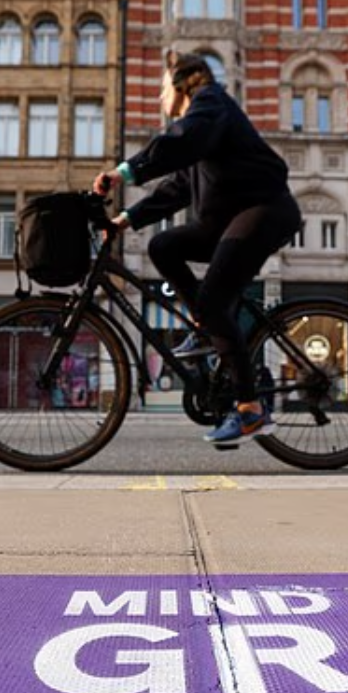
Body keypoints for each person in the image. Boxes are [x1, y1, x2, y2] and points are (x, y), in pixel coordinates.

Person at [93, 51, 302, 446]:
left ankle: (249, 410)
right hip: (232, 219)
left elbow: (183, 139)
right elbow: (179, 187)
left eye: (161, 89)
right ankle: (207, 329)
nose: (159, 99)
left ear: (181, 81)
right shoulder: (201, 133)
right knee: (164, 245)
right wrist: (126, 219)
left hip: (264, 210)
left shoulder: (210, 102)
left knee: (211, 300)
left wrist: (123, 172)